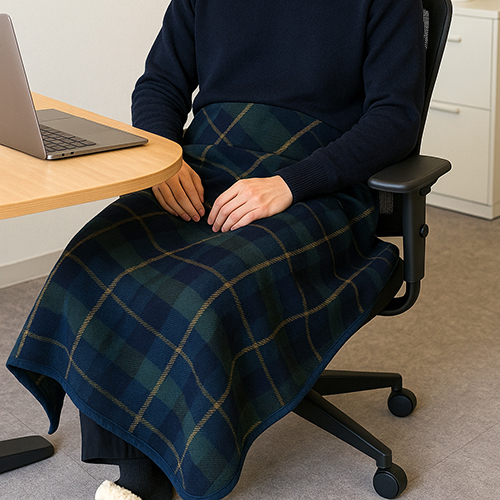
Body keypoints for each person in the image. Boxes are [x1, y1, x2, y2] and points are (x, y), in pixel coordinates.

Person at [7, 1, 425, 500]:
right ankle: (135, 463)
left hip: (316, 180)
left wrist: (290, 183)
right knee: (90, 263)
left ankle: (159, 476)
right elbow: (160, 84)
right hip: (204, 159)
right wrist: (166, 158)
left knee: (200, 297)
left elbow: (395, 119)